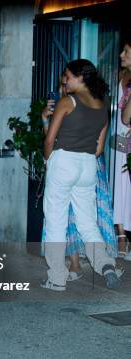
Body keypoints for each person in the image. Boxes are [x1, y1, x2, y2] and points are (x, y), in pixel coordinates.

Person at [41, 59, 120, 291]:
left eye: (68, 76)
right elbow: (98, 149)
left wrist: (48, 159)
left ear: (80, 77)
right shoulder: (103, 104)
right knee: (88, 223)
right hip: (88, 165)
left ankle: (56, 277)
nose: (65, 80)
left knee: (56, 221)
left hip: (63, 161)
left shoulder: (68, 101)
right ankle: (105, 264)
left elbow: (49, 139)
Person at [114, 39, 131, 260]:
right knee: (120, 180)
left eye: (126, 51)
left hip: (129, 133)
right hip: (120, 136)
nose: (121, 54)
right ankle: (121, 236)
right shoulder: (121, 76)